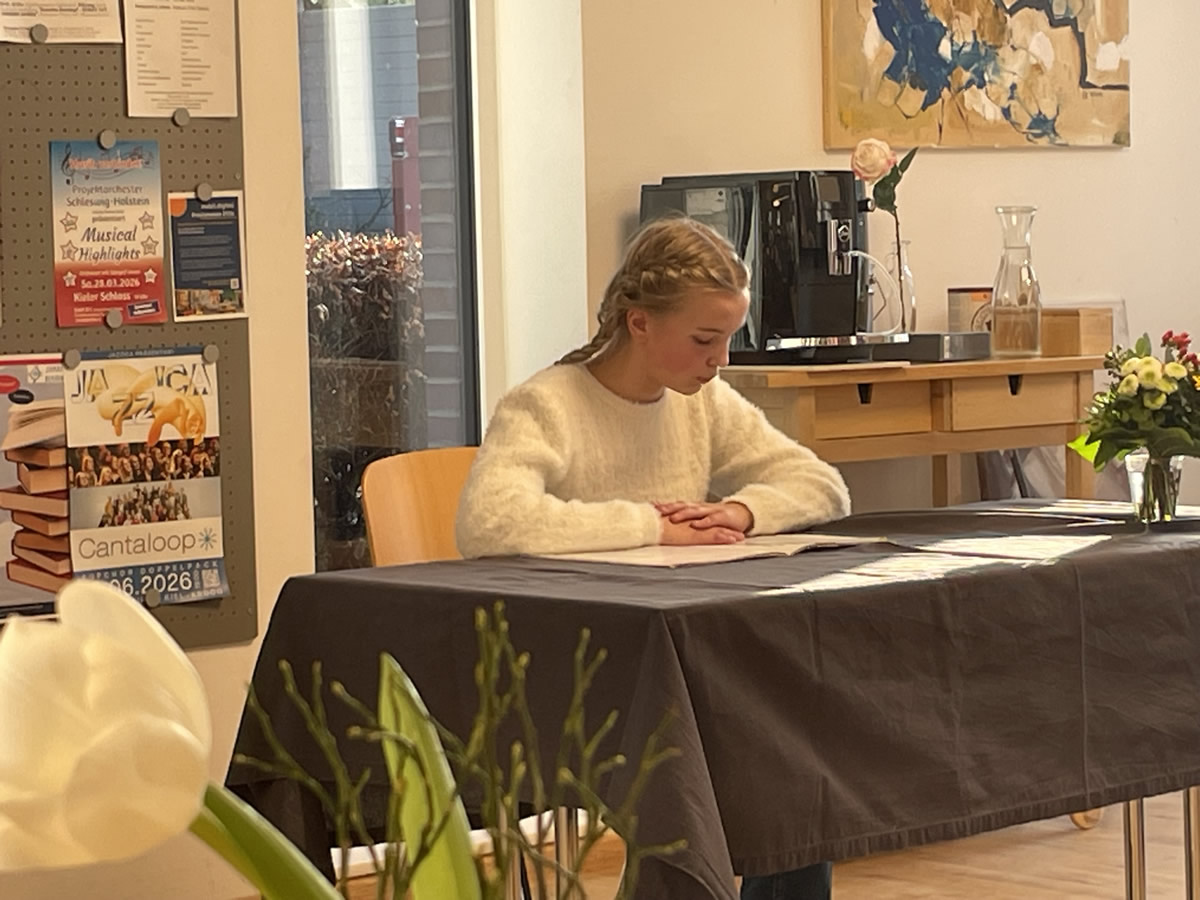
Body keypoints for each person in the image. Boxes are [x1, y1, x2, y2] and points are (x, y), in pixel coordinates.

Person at [455, 216, 851, 899]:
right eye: (704, 339)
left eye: (728, 339)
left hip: (681, 660)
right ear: (638, 323)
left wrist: (742, 510)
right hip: (578, 673)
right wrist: (652, 525)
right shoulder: (545, 405)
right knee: (729, 750)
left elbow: (823, 485)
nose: (719, 360)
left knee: (798, 748)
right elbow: (488, 521)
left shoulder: (703, 404)